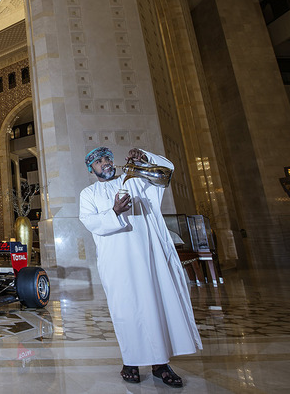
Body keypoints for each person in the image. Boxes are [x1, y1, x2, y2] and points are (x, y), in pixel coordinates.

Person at [79, 146, 201, 388]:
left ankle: (161, 364)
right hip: (116, 262)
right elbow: (90, 221)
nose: (104, 163)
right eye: (98, 161)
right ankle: (130, 362)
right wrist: (114, 211)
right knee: (126, 311)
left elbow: (166, 172)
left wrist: (145, 158)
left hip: (148, 258)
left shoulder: (135, 180)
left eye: (107, 158)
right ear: (91, 169)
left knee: (155, 306)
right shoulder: (88, 193)